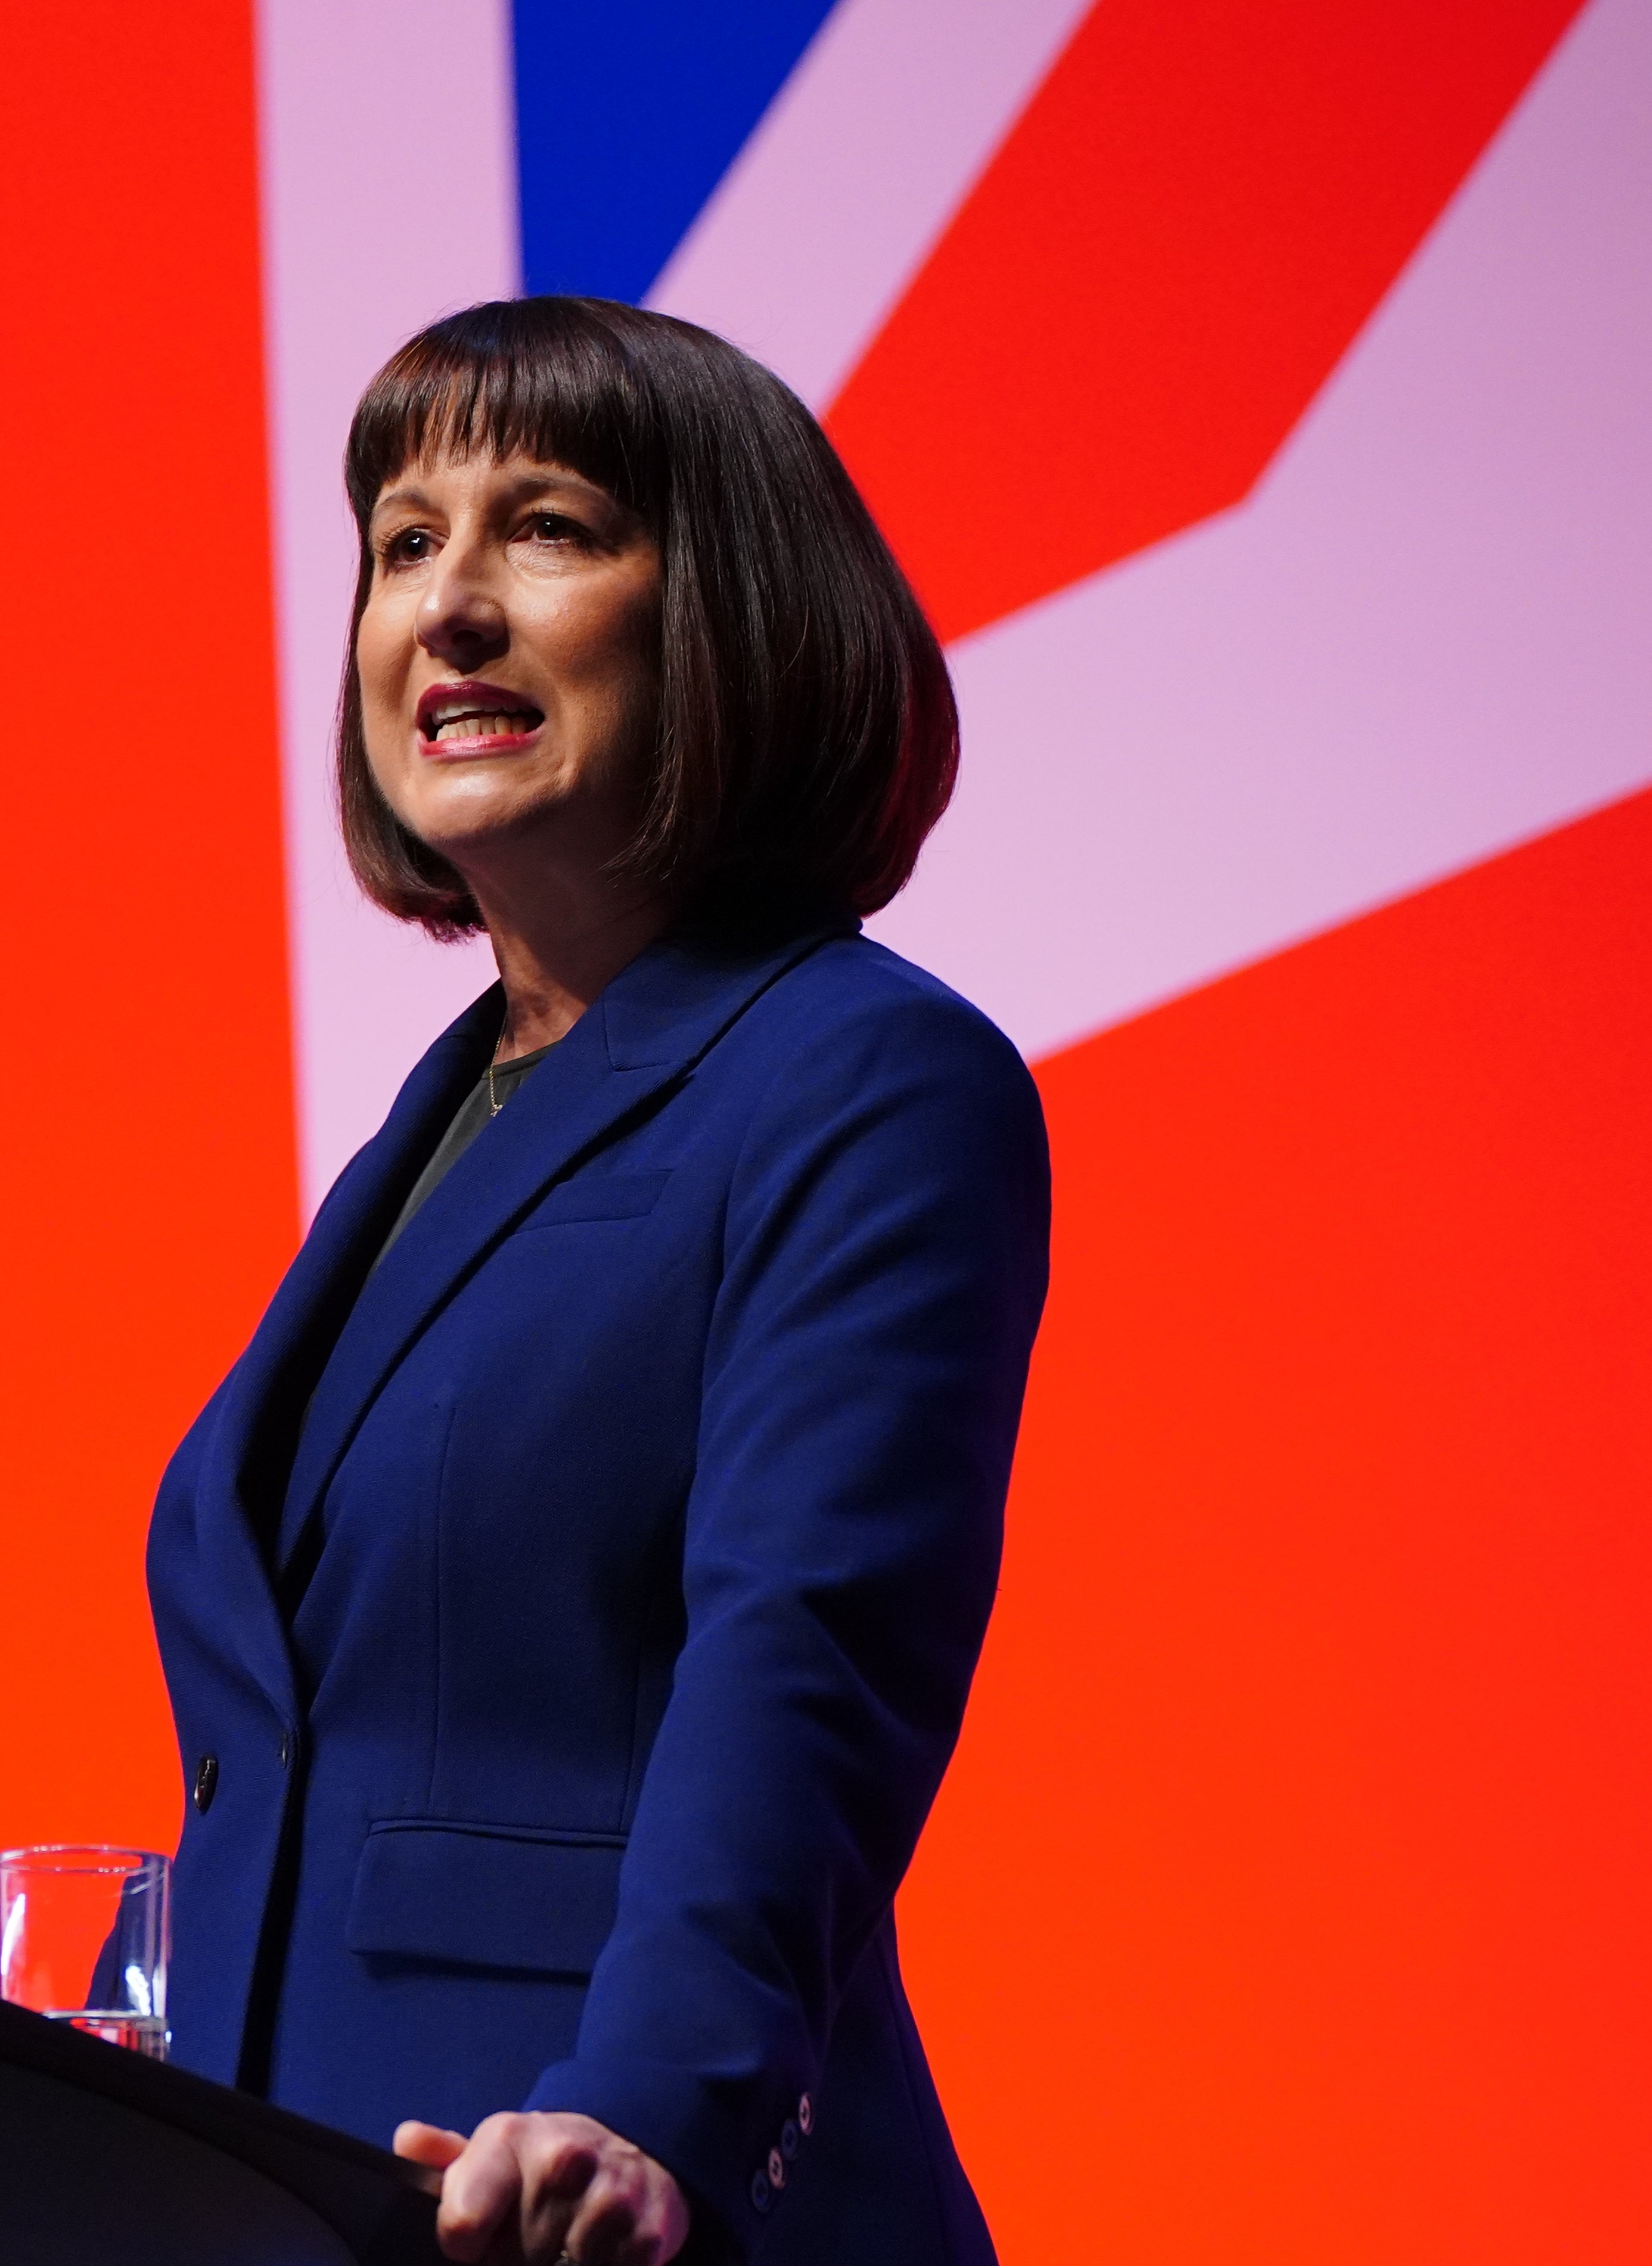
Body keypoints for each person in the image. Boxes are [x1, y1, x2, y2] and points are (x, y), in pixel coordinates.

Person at [145, 297, 1049, 2265]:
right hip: (316, 2193)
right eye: (402, 544)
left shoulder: (858, 1075)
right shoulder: (441, 1119)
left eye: (542, 527)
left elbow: (806, 1656)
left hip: (612, 2211)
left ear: (727, 609)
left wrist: (655, 2107)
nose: (447, 607)